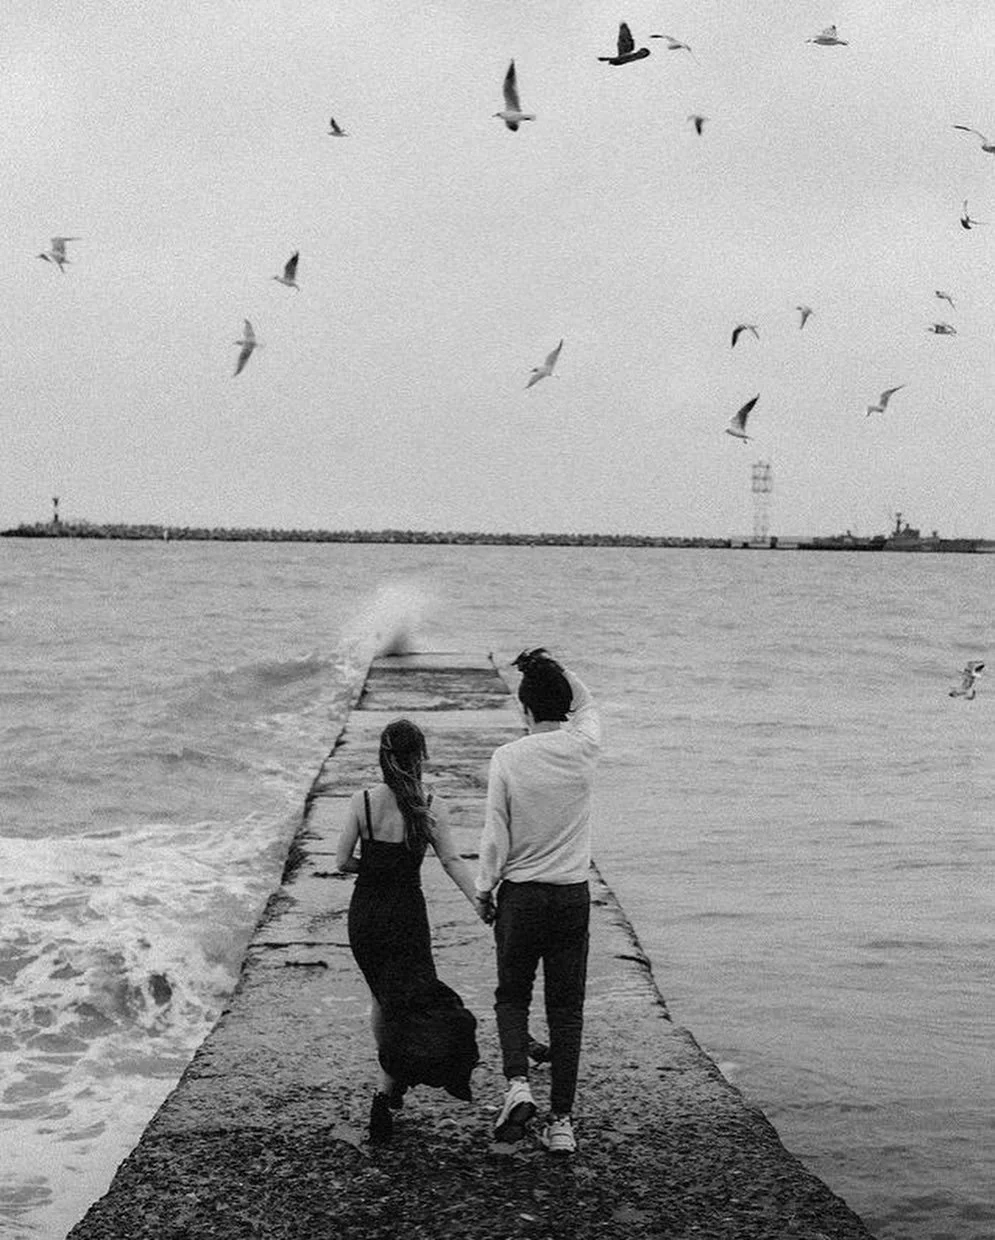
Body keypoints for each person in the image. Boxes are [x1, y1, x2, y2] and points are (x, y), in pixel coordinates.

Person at [474, 648, 601, 1155]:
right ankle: (563, 1124)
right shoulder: (585, 745)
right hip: (571, 896)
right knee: (566, 1011)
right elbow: (588, 702)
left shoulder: (508, 757)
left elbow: (494, 837)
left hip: (522, 897)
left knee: (512, 995)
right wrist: (549, 666)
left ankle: (518, 1086)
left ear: (524, 711)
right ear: (565, 706)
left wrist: (485, 889)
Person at [336, 718, 485, 1144]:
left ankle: (388, 1089)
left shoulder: (362, 801)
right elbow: (452, 861)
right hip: (407, 916)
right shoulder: (430, 804)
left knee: (383, 998)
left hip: (366, 916)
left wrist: (375, 868)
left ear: (383, 758)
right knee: (414, 997)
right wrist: (479, 901)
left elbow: (342, 861)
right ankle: (391, 1084)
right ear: (420, 758)